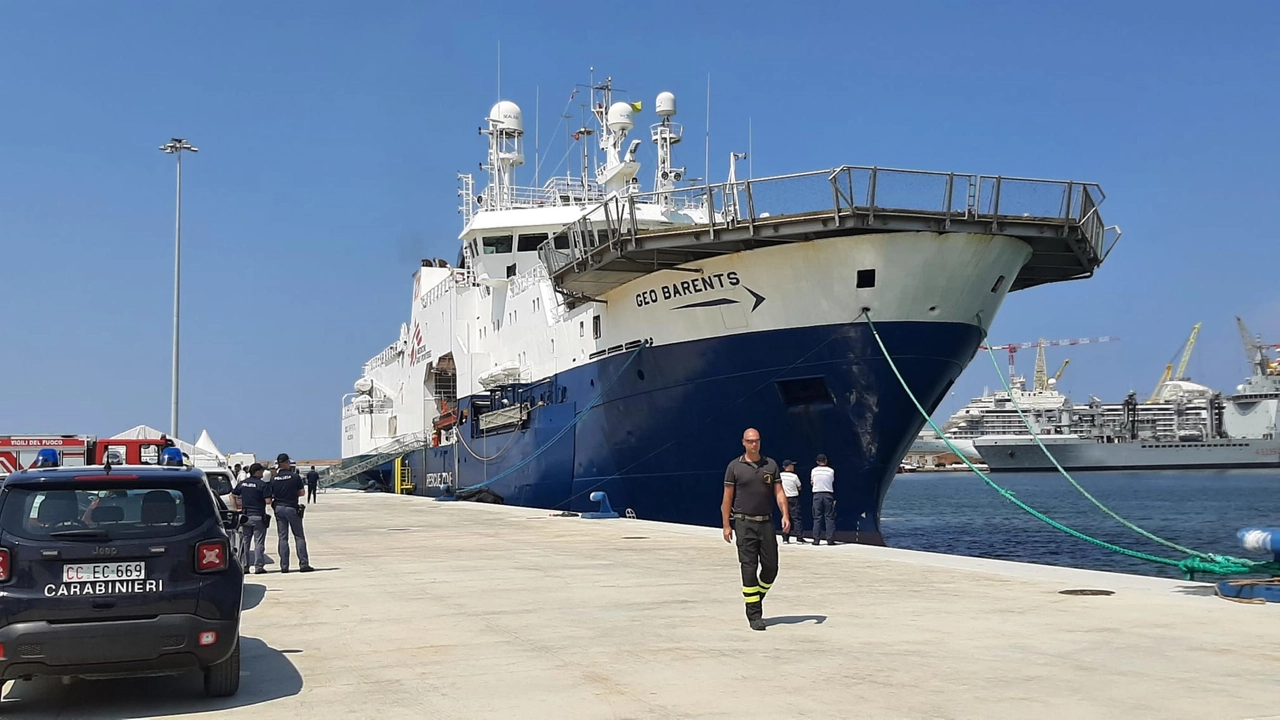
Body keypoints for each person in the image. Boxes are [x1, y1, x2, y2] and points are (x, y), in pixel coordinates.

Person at [722, 427, 790, 631]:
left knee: (771, 568)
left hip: (766, 522)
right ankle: (754, 614)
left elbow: (779, 492)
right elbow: (727, 498)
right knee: (749, 567)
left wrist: (785, 514)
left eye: (757, 441)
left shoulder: (771, 465)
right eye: (750, 441)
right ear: (743, 442)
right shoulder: (734, 467)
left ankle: (755, 599)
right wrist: (726, 525)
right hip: (744, 523)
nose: (754, 444)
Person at [269, 453, 313, 573]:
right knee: (299, 536)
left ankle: (284, 566)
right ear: (287, 463)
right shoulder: (294, 477)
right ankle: (303, 564)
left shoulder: (274, 479)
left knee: (283, 538)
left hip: (279, 508)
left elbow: (270, 495)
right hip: (291, 507)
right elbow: (302, 492)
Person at [232, 463, 273, 574]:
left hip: (245, 516)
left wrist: (236, 509)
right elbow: (268, 501)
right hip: (258, 516)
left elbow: (233, 495)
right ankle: (258, 567)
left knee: (245, 542)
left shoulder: (243, 484)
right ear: (258, 471)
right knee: (259, 543)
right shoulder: (262, 485)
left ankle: (245, 566)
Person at [810, 453, 836, 545]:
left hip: (817, 494)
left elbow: (812, 482)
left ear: (817, 461)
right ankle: (830, 539)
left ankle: (816, 539)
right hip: (828, 494)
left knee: (817, 517)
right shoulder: (831, 471)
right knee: (829, 517)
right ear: (826, 460)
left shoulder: (814, 471)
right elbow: (831, 480)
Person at [779, 460, 806, 544]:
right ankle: (799, 537)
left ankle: (785, 538)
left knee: (785, 517)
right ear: (787, 466)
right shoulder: (794, 476)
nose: (793, 467)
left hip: (783, 498)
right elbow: (799, 486)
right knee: (796, 518)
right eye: (792, 465)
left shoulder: (780, 475)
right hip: (793, 498)